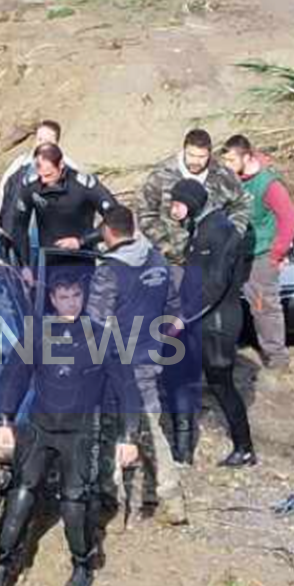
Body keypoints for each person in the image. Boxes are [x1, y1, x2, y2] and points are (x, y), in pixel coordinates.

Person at [0, 274, 138, 586]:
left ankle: (82, 564)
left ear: (83, 296)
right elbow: (14, 376)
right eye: (63, 296)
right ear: (53, 298)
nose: (70, 302)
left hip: (80, 430)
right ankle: (3, 565)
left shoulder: (101, 336)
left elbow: (127, 388)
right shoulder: (37, 333)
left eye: (76, 295)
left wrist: (128, 437)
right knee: (21, 493)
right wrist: (5, 420)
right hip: (40, 426)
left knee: (74, 501)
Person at [86, 205, 188, 525]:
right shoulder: (158, 260)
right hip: (151, 358)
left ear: (108, 231)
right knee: (147, 424)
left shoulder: (109, 271)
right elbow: (176, 315)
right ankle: (155, 496)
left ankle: (132, 498)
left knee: (125, 428)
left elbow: (96, 325)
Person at [171, 180, 257, 468]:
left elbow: (216, 284)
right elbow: (194, 279)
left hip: (218, 321)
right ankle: (182, 452)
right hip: (201, 318)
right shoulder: (199, 227)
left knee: (222, 384)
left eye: (177, 203)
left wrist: (184, 317)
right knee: (182, 376)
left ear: (192, 202)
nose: (172, 208)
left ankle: (244, 448)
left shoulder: (221, 230)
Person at [221, 135, 294, 372]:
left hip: (261, 255)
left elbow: (289, 219)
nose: (227, 165)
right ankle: (226, 350)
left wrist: (277, 254)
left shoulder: (268, 184)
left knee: (264, 308)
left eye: (232, 160)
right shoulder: (231, 179)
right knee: (227, 303)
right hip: (235, 252)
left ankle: (277, 360)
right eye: (225, 160)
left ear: (247, 157)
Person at [137, 128, 251, 265]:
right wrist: (167, 246)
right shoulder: (163, 175)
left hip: (213, 259)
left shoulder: (223, 175)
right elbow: (146, 213)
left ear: (209, 153)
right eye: (191, 155)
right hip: (172, 261)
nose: (196, 161)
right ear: (184, 150)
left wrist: (233, 237)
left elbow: (241, 204)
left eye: (202, 157)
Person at [2, 142, 118, 267]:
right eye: (40, 175)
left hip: (82, 258)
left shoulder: (83, 185)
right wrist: (24, 266)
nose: (44, 180)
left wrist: (82, 241)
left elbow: (116, 218)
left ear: (61, 164)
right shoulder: (31, 185)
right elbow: (19, 226)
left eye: (49, 175)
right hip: (47, 261)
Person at [0, 120, 81, 223]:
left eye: (47, 141)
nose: (42, 144)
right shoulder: (19, 164)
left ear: (57, 144)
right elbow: (2, 195)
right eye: (39, 139)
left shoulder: (69, 169)